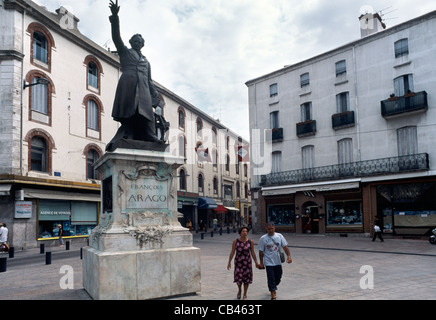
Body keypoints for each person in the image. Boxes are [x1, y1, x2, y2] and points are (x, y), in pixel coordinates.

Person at [106, 0, 162, 151]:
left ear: (142, 44)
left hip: (143, 90)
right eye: (135, 41)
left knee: (147, 113)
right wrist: (115, 17)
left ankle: (150, 135)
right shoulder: (125, 52)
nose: (137, 43)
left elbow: (150, 81)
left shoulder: (146, 61)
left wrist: (155, 95)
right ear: (131, 42)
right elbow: (116, 37)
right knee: (130, 111)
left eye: (139, 41)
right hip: (128, 85)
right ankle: (127, 134)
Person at [258, 222, 292, 300]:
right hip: (268, 261)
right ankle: (273, 292)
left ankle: (273, 285)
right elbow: (261, 251)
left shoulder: (279, 236)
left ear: (274, 228)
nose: (270, 230)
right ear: (266, 229)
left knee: (278, 276)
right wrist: (261, 263)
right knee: (271, 277)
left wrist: (289, 256)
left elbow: (285, 246)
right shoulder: (263, 238)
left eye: (272, 229)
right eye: (269, 229)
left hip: (278, 261)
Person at [227, 227, 259, 300]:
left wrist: (256, 262)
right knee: (239, 278)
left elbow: (252, 252)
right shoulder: (236, 241)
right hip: (238, 262)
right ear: (240, 232)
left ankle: (245, 294)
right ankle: (239, 290)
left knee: (246, 278)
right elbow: (232, 252)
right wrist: (229, 262)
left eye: (246, 231)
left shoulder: (250, 242)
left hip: (247, 263)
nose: (245, 233)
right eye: (243, 231)